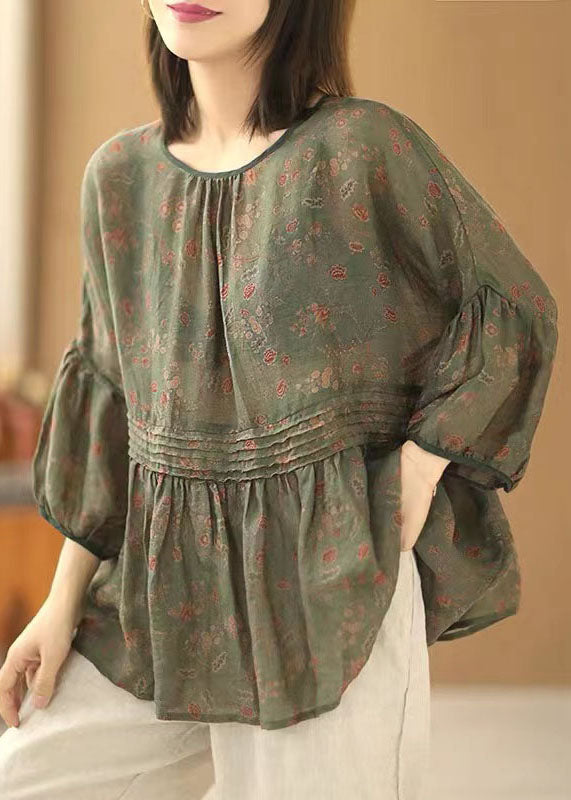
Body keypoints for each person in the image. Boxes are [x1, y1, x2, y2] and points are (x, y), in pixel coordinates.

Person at [0, 0, 559, 797]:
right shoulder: (119, 178)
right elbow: (110, 399)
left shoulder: (360, 149)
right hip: (157, 599)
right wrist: (61, 605)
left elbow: (510, 304)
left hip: (327, 592)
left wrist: (422, 462)